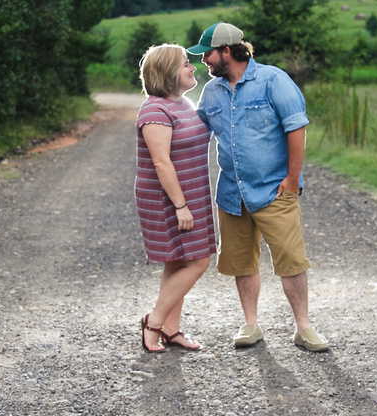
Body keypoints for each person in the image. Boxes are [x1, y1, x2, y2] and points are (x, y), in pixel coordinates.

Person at [188, 22, 329, 352]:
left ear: (226, 51)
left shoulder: (273, 80)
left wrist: (292, 179)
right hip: (231, 194)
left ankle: (303, 328)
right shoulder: (211, 92)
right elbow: (196, 135)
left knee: (291, 261)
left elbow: (296, 128)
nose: (203, 61)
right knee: (241, 261)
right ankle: (250, 324)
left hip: (274, 191)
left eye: (207, 54)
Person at [135, 44, 216, 353]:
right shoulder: (155, 109)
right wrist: (181, 205)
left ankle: (170, 329)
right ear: (168, 72)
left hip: (191, 193)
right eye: (185, 64)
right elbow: (161, 162)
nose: (192, 68)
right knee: (198, 261)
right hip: (167, 198)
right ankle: (153, 323)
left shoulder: (182, 103)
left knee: (179, 260)